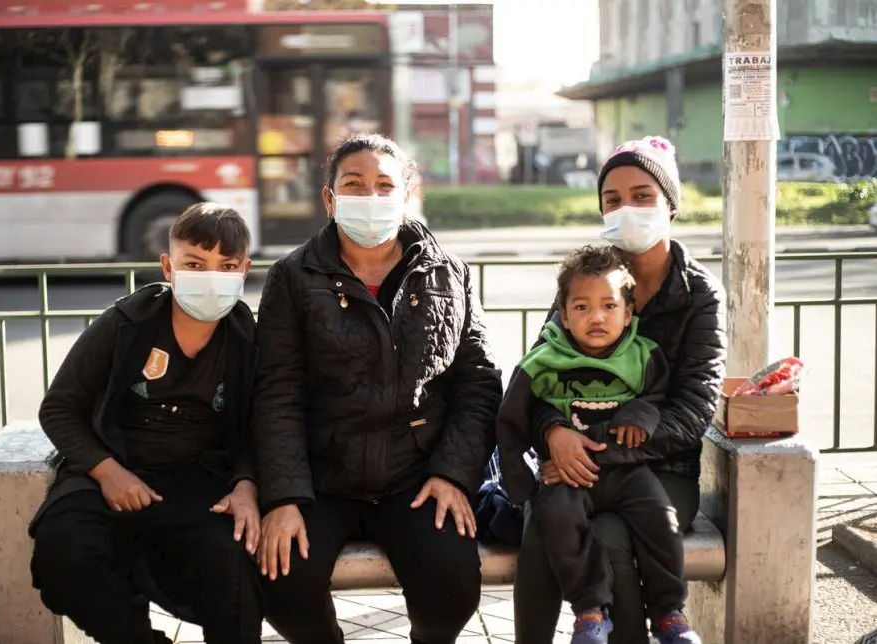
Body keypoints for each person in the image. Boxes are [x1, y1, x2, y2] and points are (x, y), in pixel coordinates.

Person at [252, 133, 503, 644]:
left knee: (453, 586)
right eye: (354, 184)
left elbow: (478, 384)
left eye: (384, 185)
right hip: (321, 480)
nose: (370, 197)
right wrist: (283, 497)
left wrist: (453, 474)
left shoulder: (448, 274)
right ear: (329, 198)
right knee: (281, 581)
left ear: (406, 193)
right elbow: (275, 392)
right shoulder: (292, 277)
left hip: (415, 476)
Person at [496, 136, 727, 644]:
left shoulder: (699, 294)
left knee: (611, 536)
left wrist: (595, 450)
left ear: (670, 204)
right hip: (573, 458)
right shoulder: (585, 280)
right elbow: (541, 375)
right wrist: (553, 431)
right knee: (541, 523)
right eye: (613, 200)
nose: (627, 209)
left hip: (661, 468)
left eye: (643, 196)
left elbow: (694, 408)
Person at [28, 203, 264, 644]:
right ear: (168, 267)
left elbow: (263, 425)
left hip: (201, 483)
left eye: (226, 266)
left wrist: (246, 485)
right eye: (194, 263)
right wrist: (107, 471)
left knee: (233, 567)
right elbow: (59, 408)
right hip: (111, 475)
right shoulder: (124, 325)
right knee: (64, 555)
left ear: (245, 270)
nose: (210, 276)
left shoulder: (250, 342)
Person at [498, 245, 701, 644]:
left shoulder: (643, 355)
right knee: (554, 521)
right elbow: (512, 418)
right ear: (563, 312)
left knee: (660, 517)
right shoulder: (543, 361)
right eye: (582, 307)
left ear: (628, 314)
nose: (596, 317)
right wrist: (523, 486)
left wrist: (640, 414)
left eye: (609, 306)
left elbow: (659, 396)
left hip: (628, 472)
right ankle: (590, 610)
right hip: (568, 475)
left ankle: (668, 614)